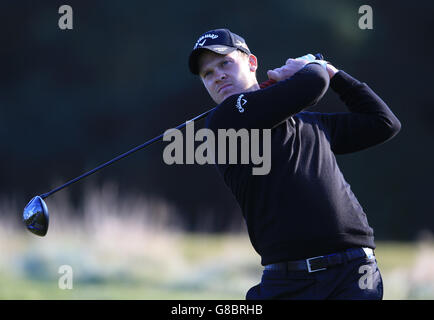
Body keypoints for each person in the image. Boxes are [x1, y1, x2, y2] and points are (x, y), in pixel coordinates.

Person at [188, 28, 401, 299]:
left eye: (224, 63)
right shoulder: (224, 120)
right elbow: (311, 84)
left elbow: (384, 123)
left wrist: (335, 74)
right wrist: (313, 65)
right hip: (289, 282)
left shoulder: (310, 122)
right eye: (207, 73)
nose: (217, 75)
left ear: (251, 63)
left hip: (355, 273)